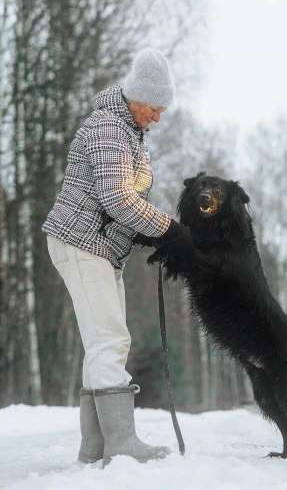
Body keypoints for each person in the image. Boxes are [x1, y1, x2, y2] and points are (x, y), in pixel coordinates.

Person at [42, 48, 192, 466]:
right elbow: (116, 197)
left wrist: (146, 235)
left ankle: (95, 448)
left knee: (103, 342)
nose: (159, 116)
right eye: (155, 107)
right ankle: (121, 443)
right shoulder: (109, 128)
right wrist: (168, 229)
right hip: (81, 243)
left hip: (101, 247)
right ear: (137, 96)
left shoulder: (129, 133)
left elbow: (119, 203)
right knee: (110, 340)